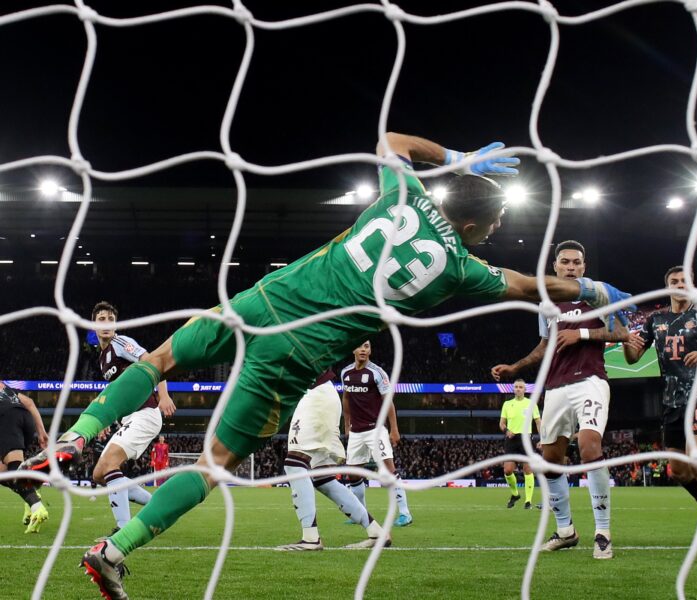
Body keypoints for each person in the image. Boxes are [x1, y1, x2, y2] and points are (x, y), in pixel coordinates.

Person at [23, 132, 629, 599]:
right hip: (293, 356)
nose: (494, 233)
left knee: (156, 358)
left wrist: (458, 156)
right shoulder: (462, 269)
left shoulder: (405, 193)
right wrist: (593, 290)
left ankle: (71, 439)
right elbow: (528, 287)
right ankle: (115, 548)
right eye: (493, 226)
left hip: (259, 304)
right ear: (470, 226)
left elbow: (391, 140)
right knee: (214, 467)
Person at [491, 240, 638, 560]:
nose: (571, 267)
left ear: (584, 267)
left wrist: (582, 335)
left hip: (591, 380)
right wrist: (516, 366)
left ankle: (603, 532)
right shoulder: (547, 305)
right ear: (555, 267)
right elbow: (546, 345)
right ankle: (566, 530)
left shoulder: (600, 296)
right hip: (555, 387)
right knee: (550, 458)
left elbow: (622, 333)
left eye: (577, 262)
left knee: (589, 446)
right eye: (565, 262)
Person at [624, 266, 697, 548]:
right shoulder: (656, 319)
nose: (679, 285)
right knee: (678, 471)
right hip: (670, 400)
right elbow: (632, 359)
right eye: (674, 281)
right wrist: (628, 340)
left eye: (684, 281)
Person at [89, 302, 177, 537]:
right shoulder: (102, 359)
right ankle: (156, 506)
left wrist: (164, 395)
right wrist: (107, 420)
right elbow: (119, 395)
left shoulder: (120, 344)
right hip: (129, 418)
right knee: (99, 475)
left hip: (145, 414)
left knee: (110, 465)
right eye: (101, 319)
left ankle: (122, 529)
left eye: (110, 319)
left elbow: (155, 361)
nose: (106, 323)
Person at [278, 369, 391, 550]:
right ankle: (377, 532)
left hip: (315, 395)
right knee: (323, 479)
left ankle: (311, 539)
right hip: (321, 394)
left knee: (294, 464)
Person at [340, 340, 412, 526]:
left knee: (388, 469)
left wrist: (394, 429)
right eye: (360, 346)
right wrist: (347, 424)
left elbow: (389, 402)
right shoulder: (346, 373)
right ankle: (361, 514)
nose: (364, 350)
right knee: (353, 475)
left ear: (370, 350)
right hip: (356, 432)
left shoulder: (377, 373)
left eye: (367, 346)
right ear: (353, 349)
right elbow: (346, 399)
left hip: (376, 429)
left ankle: (405, 513)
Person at [0, 381, 48, 533]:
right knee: (4, 473)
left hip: (7, 418)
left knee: (14, 469)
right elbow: (29, 402)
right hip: (26, 419)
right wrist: (41, 431)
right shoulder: (6, 388)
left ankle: (37, 507)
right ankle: (30, 492)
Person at [499, 378, 541, 509]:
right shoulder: (507, 404)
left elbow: (538, 422)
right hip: (511, 439)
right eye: (516, 387)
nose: (518, 389)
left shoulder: (531, 404)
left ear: (525, 389)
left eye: (520, 387)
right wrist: (507, 430)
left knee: (527, 469)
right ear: (513, 389)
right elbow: (501, 423)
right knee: (508, 470)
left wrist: (542, 438)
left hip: (526, 439)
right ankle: (515, 494)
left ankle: (528, 501)